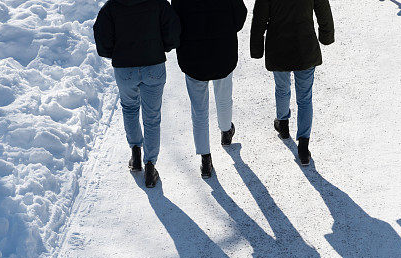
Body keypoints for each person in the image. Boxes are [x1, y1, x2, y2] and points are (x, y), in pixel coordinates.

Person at [93, 0, 181, 187]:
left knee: (130, 108)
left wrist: (115, 53)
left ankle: (135, 152)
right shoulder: (158, 4)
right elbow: (173, 29)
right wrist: (161, 46)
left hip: (125, 69)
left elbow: (101, 36)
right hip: (153, 64)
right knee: (152, 116)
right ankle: (150, 165)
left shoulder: (111, 7)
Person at [250, 0, 334, 166]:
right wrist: (326, 35)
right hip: (305, 48)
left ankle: (283, 124)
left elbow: (259, 18)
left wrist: (256, 48)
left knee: (282, 89)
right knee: (304, 98)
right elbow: (323, 10)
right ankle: (303, 146)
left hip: (278, 48)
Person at [171, 0, 248, 179]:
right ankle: (226, 131)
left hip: (193, 56)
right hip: (223, 52)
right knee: (223, 98)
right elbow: (239, 17)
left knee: (199, 111)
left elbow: (174, 23)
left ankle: (205, 158)